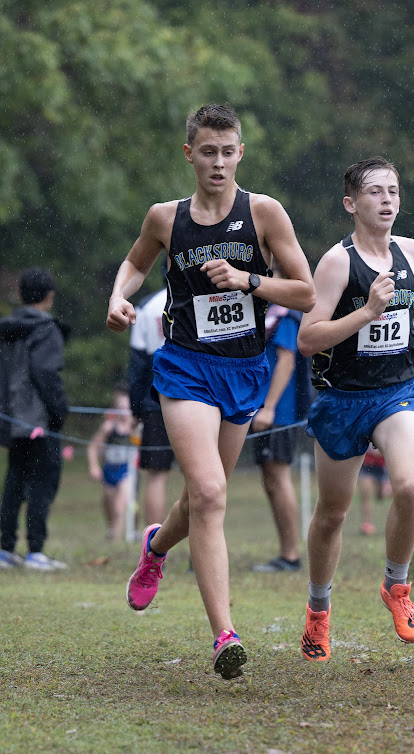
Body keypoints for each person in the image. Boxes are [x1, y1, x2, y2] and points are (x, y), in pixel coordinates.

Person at [106, 103, 315, 680]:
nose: (218, 163)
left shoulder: (265, 213)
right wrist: (117, 299)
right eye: (208, 152)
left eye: (228, 152)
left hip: (243, 370)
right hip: (185, 367)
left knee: (203, 498)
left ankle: (155, 549)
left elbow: (306, 294)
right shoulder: (165, 218)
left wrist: (249, 279)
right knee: (209, 491)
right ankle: (225, 634)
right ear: (189, 154)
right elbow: (133, 266)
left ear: (240, 153)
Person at [297, 157, 414, 662]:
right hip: (342, 398)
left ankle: (397, 588)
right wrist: (365, 312)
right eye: (374, 192)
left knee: (410, 485)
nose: (387, 200)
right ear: (351, 204)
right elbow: (307, 338)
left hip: (397, 391)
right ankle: (318, 612)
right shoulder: (337, 263)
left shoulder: (410, 249)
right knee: (333, 513)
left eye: (393, 191)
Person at [0, 268, 69, 570]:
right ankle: (35, 551)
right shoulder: (46, 329)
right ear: (49, 296)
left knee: (15, 482)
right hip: (40, 421)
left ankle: (4, 549)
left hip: (13, 419)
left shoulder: (6, 329)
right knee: (42, 482)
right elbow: (45, 373)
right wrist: (59, 411)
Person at [251, 295, 302, 572]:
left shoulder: (284, 313)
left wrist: (269, 408)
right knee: (270, 479)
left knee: (279, 478)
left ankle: (291, 555)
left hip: (278, 412)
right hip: (259, 409)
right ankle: (286, 552)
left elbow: (286, 361)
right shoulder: (266, 311)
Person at [128, 277, 175, 528]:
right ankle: (198, 554)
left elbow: (138, 364)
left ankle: (153, 550)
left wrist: (136, 407)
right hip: (200, 398)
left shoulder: (148, 306)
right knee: (199, 479)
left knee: (157, 476)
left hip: (156, 399)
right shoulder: (203, 297)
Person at [87, 384, 135, 541]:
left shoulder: (134, 428)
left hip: (126, 471)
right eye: (120, 407)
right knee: (108, 504)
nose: (124, 411)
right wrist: (94, 466)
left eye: (126, 407)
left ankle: (116, 540)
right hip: (109, 470)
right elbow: (92, 447)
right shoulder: (108, 428)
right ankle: (111, 529)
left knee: (119, 507)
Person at [357, 444, 391, 536]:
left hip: (381, 467)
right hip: (366, 465)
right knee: (365, 492)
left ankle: (388, 492)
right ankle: (367, 524)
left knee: (381, 496)